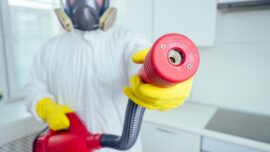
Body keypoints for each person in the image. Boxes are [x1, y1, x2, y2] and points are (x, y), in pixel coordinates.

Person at [24, 0, 193, 152]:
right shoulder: (50, 48)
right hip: (70, 146)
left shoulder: (128, 39)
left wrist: (161, 78)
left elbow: (140, 61)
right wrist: (44, 105)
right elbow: (33, 88)